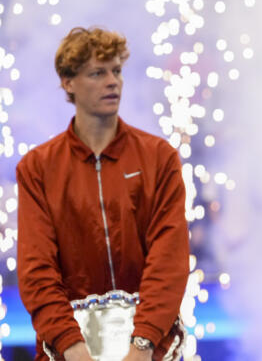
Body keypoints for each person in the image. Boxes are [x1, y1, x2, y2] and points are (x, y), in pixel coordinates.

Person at [16, 27, 190, 361]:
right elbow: (36, 270)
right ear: (69, 83)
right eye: (98, 73)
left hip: (152, 349)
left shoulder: (159, 157)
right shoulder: (37, 168)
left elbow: (169, 261)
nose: (113, 81)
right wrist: (70, 345)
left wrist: (143, 345)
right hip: (66, 351)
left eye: (117, 71)